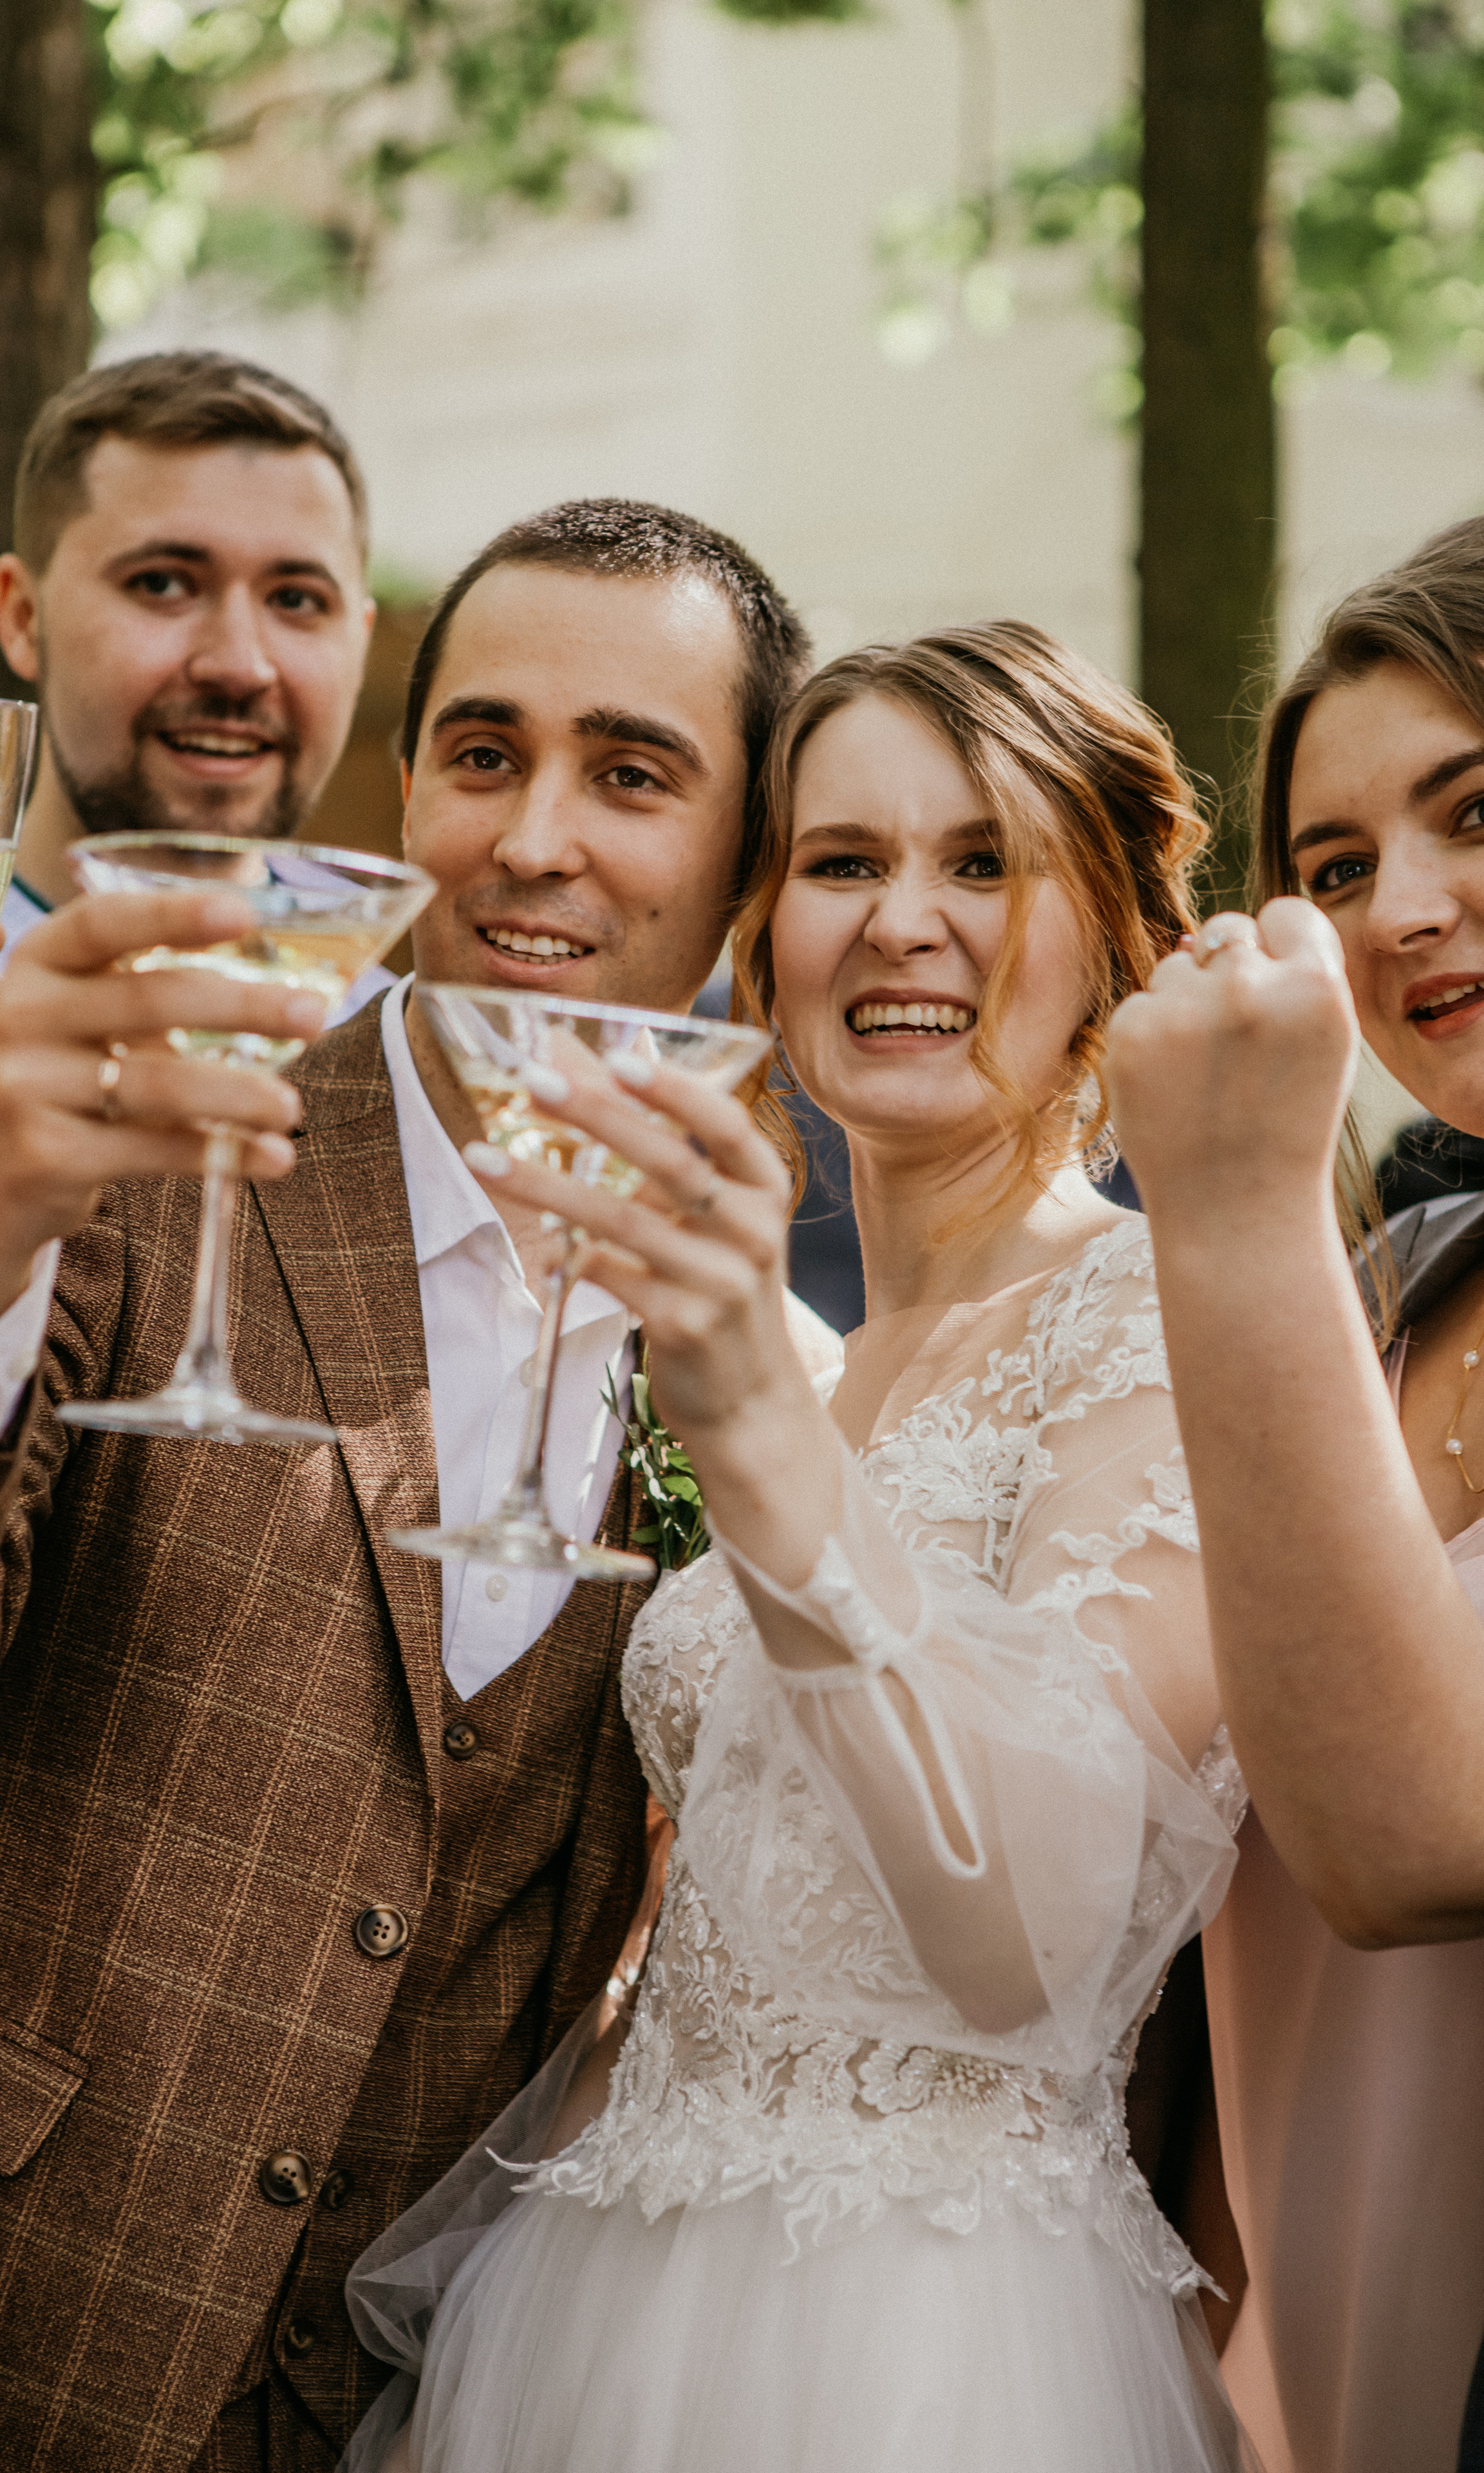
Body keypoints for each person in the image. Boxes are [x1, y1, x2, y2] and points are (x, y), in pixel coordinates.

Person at [0, 497, 829, 2472]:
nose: (532, 838)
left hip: (412, 2387)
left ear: (747, 868)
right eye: (481, 755)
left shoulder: (739, 1335)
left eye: (629, 774)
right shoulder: (167, 1133)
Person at [337, 624, 1255, 2473]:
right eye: (844, 862)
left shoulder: (1166, 1328)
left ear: (1113, 936)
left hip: (918, 2340)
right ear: (766, 938)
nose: (903, 922)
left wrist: (757, 1449)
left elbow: (1029, 1939)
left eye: (982, 863)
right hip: (612, 2281)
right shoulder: (814, 1355)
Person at [1104, 517, 1484, 2473]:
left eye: (1467, 809)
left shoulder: (1274, 1258)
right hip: (1277, 2386)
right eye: (1332, 869)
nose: (1398, 909)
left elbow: (1410, 1840)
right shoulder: (1372, 1297)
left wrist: (1232, 1196)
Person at [0, 347, 390, 1129]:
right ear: (23, 617)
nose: (239, 666)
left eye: (298, 599)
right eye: (162, 583)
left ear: (361, 641)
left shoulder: (403, 1054)